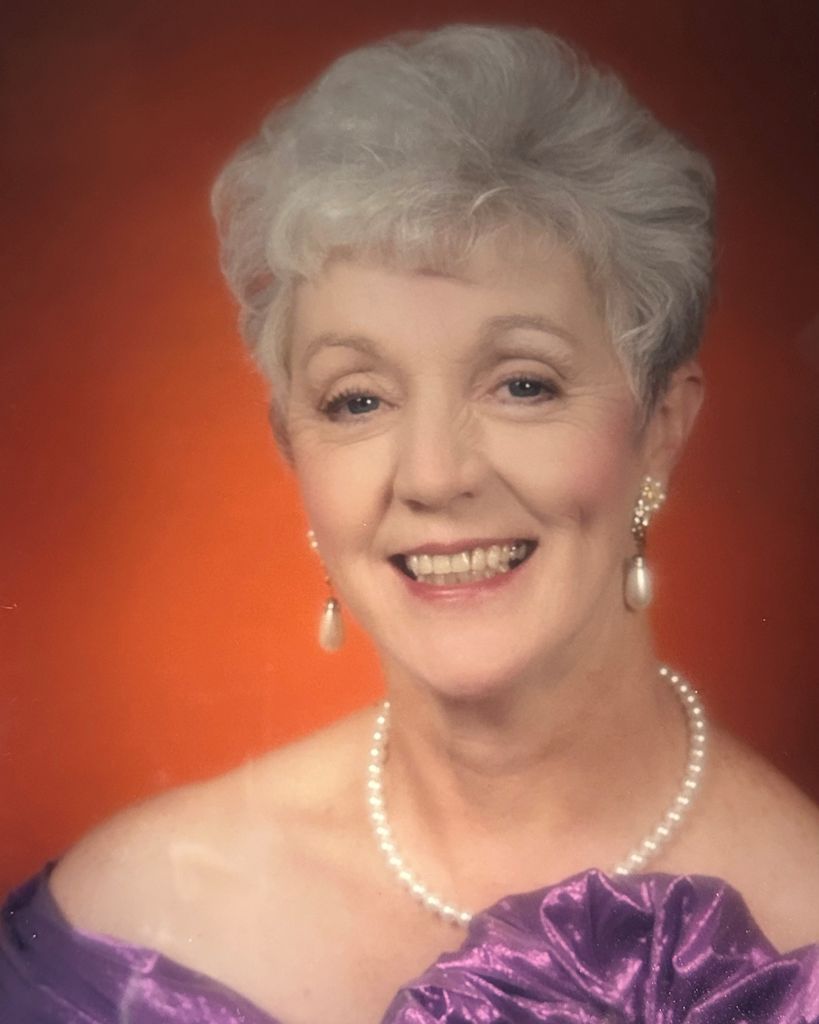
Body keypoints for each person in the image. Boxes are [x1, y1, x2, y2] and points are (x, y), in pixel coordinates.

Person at [1, 23, 817, 1024]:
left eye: (522, 383)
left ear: (661, 428)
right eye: (358, 399)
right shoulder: (124, 937)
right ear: (294, 451)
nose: (434, 475)